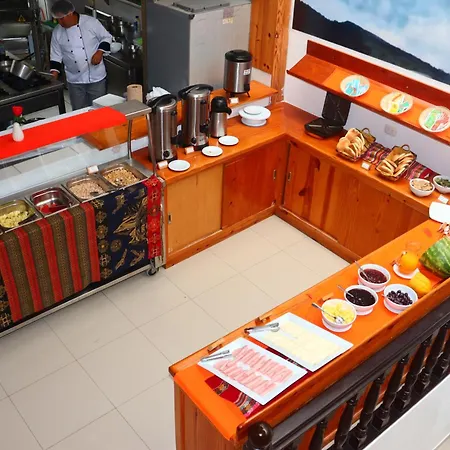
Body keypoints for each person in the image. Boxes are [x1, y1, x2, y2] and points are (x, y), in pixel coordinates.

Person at [49, 0, 112, 110]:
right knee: (78, 112)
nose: (60, 22)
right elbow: (55, 56)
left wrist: (99, 52)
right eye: (57, 19)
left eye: (62, 18)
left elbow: (106, 37)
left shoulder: (91, 23)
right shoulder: (57, 32)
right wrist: (52, 79)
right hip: (74, 80)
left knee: (99, 111)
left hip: (96, 77)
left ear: (70, 13)